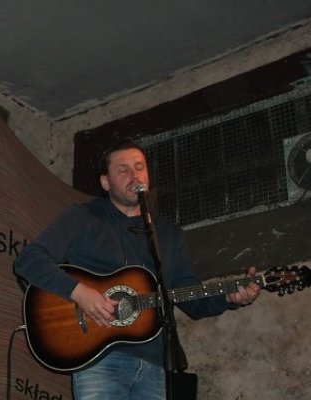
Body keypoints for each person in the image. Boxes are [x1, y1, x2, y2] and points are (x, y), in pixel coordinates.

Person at [14, 139, 261, 400]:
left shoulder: (168, 234)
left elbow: (190, 298)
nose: (134, 175)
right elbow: (29, 260)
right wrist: (80, 293)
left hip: (155, 364)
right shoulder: (84, 218)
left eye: (139, 167)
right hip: (100, 359)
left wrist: (229, 297)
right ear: (106, 182)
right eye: (123, 170)